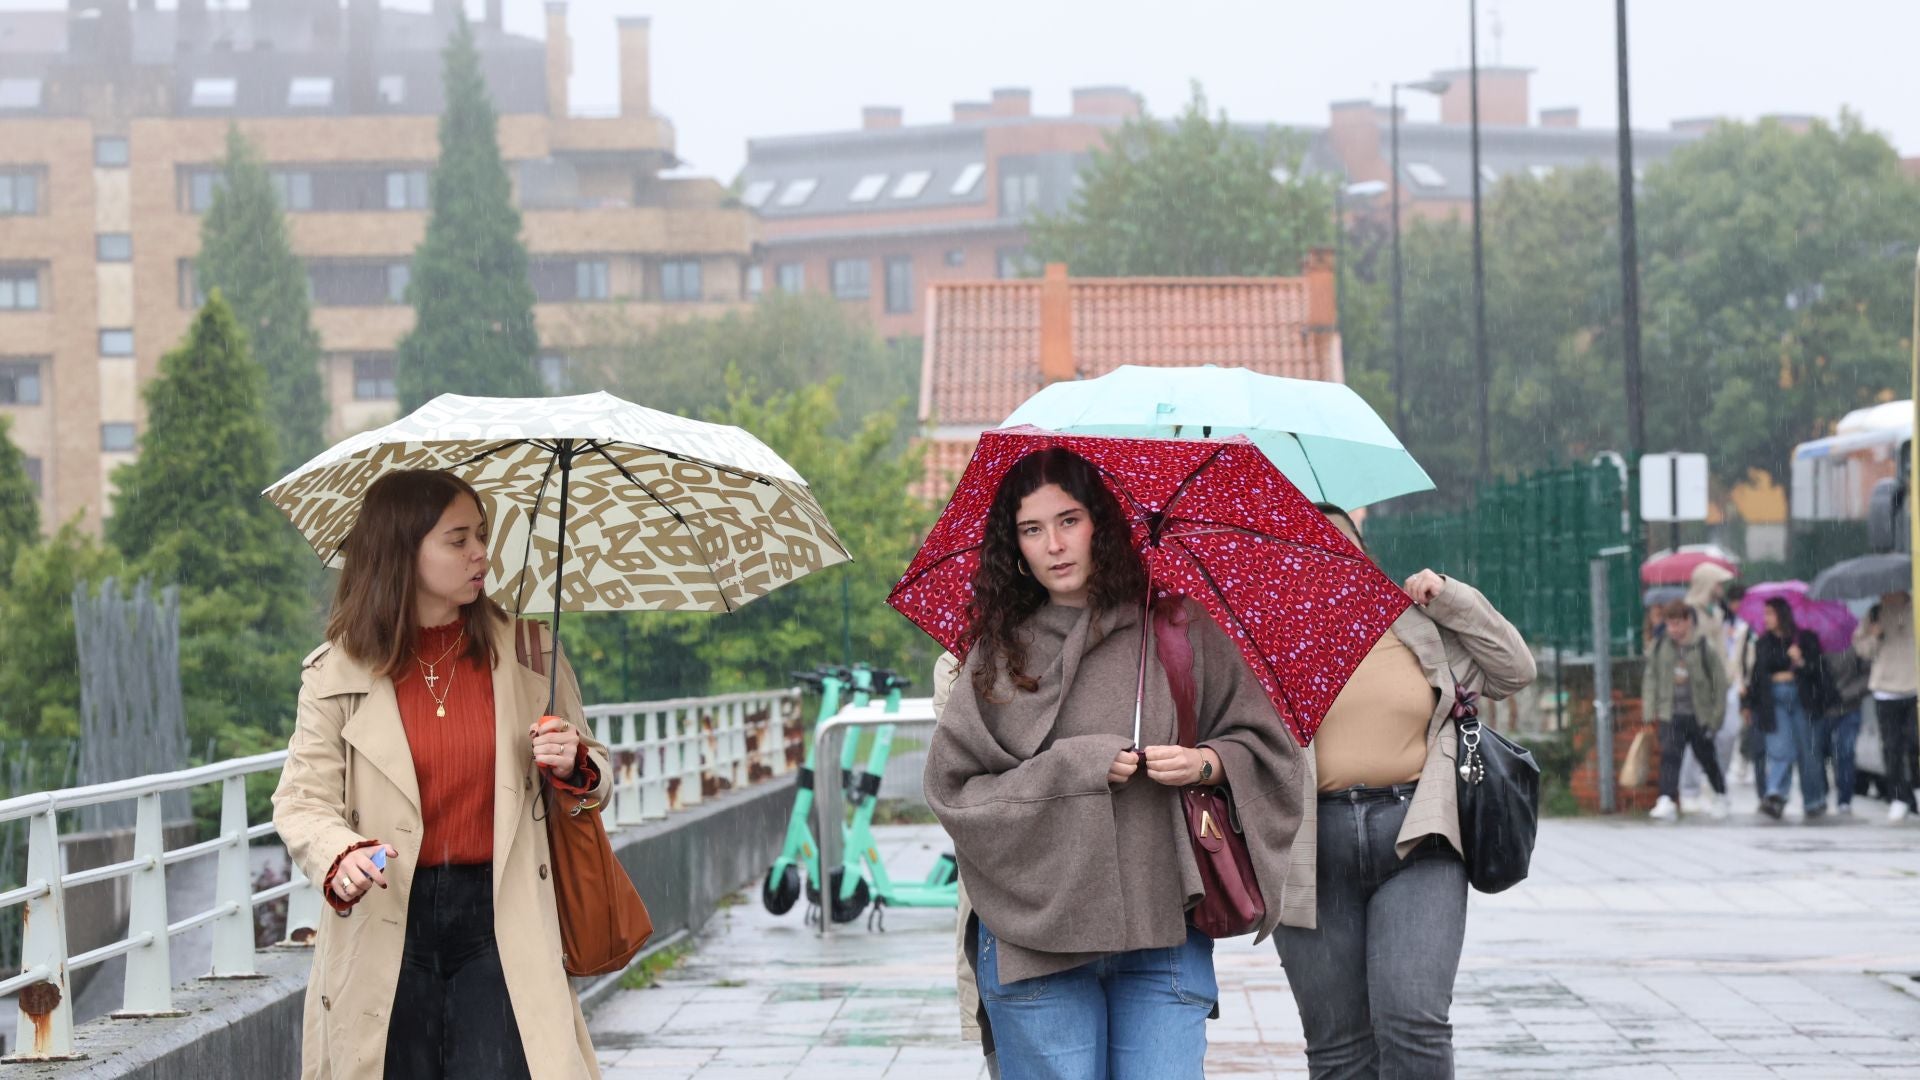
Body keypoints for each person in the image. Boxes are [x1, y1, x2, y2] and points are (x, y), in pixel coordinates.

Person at [922, 447, 1305, 1080]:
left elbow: (1271, 750)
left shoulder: (1180, 629)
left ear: (1101, 521)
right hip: (1036, 939)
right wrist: (1075, 768)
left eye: (1069, 520)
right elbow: (956, 793)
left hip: (1165, 935)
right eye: (1032, 529)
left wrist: (1206, 763)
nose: (1055, 545)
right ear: (1013, 545)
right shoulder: (994, 656)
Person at [273, 469, 611, 1080]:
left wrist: (574, 762)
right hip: (387, 920)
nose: (481, 553)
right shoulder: (338, 671)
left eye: (480, 535)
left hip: (499, 919)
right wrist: (340, 854)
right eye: (458, 540)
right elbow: (302, 800)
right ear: (404, 550)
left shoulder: (530, 652)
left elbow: (595, 768)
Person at [1273, 506, 1535, 1079]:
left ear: (1364, 553)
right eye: (1306, 546)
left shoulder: (1414, 625)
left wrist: (1448, 598)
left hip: (1418, 838)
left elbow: (1514, 668)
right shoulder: (1268, 642)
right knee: (1339, 1048)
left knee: (1412, 1019)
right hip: (1309, 850)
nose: (1326, 558)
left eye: (1339, 545)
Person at [1642, 600, 1730, 821]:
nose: (1674, 629)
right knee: (1670, 756)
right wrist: (1649, 710)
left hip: (1698, 714)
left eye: (1678, 623)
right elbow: (1650, 678)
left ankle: (1720, 794)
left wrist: (1716, 716)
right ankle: (1666, 798)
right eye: (1670, 624)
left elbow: (1719, 682)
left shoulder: (1702, 647)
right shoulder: (1660, 646)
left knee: (1707, 757)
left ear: (1689, 622)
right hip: (1669, 713)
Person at [1746, 598, 1826, 821]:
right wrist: (1751, 704)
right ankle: (1776, 795)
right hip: (1775, 700)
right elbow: (1759, 674)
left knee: (1807, 751)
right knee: (1780, 748)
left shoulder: (1805, 639)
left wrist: (1800, 661)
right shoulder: (1764, 642)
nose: (1767, 619)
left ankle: (1814, 799)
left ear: (1782, 614)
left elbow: (1818, 672)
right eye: (1765, 614)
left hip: (1802, 699)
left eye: (1771, 613)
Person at [1852, 592, 1918, 822]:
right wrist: (1874, 635)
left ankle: (1917, 790)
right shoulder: (1874, 613)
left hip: (1914, 686)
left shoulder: (1915, 608)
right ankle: (1898, 797)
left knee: (1914, 742)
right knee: (1892, 747)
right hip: (1885, 689)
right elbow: (1862, 650)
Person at [1678, 565, 1737, 806]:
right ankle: (1691, 788)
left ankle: (1715, 782)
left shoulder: (1715, 611)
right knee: (1699, 737)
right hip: (1701, 683)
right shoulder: (1690, 611)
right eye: (1718, 583)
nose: (1721, 589)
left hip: (1722, 680)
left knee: (1727, 732)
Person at [1816, 638, 1870, 816]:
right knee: (1818, 752)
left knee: (1845, 752)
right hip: (1823, 710)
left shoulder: (1856, 647)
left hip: (1849, 708)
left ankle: (1844, 799)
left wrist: (1844, 694)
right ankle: (1820, 794)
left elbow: (1868, 676)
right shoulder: (1815, 643)